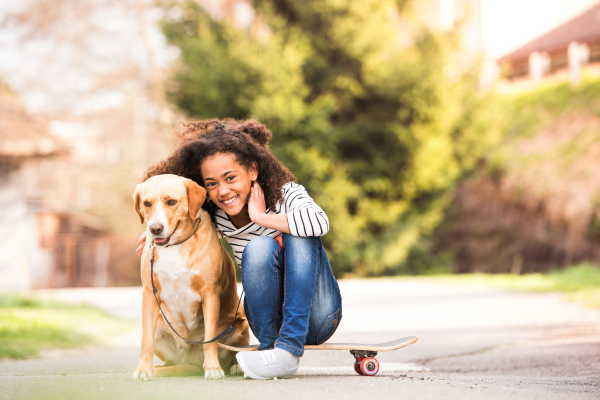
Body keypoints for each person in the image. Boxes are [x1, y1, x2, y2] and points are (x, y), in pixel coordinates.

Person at [136, 119, 342, 380]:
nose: (223, 190)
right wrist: (154, 229)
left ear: (253, 170)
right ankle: (270, 349)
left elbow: (320, 222)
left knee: (299, 233)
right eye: (211, 183)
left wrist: (261, 217)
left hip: (318, 316)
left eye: (230, 177)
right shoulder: (218, 215)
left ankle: (288, 352)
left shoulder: (287, 194)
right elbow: (178, 209)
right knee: (259, 248)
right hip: (267, 324)